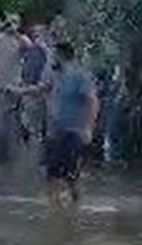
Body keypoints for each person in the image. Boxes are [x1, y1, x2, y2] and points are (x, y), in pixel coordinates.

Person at [40, 42, 99, 207]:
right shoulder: (57, 75)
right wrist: (17, 91)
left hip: (73, 132)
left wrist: (88, 128)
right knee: (51, 172)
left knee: (69, 175)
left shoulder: (80, 76)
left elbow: (93, 102)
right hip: (56, 131)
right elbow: (43, 89)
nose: (51, 58)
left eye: (53, 55)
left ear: (61, 55)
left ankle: (72, 207)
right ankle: (56, 208)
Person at [0, 14, 26, 161]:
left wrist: (17, 33)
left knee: (4, 121)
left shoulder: (21, 40)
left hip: (10, 86)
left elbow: (30, 47)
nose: (11, 25)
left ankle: (3, 152)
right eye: (9, 22)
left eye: (14, 22)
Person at [20, 25, 52, 140]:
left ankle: (38, 137)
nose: (38, 37)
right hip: (29, 86)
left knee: (40, 116)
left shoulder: (49, 51)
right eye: (36, 34)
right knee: (28, 114)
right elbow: (24, 66)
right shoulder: (30, 50)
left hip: (43, 88)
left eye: (40, 34)